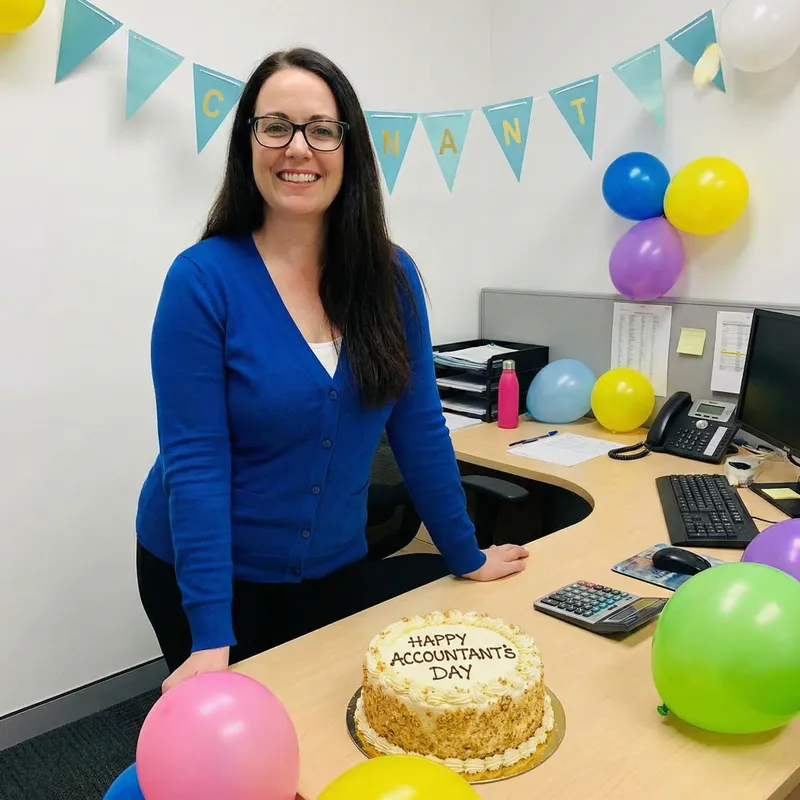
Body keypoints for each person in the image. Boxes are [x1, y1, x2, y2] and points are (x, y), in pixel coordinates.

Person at [135, 47, 529, 693]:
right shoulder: (202, 280)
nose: (299, 149)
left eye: (321, 129)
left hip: (334, 565)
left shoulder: (390, 278)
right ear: (248, 143)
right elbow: (195, 461)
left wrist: (466, 554)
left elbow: (420, 430)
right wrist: (211, 634)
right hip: (209, 579)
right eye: (276, 126)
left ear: (349, 149)